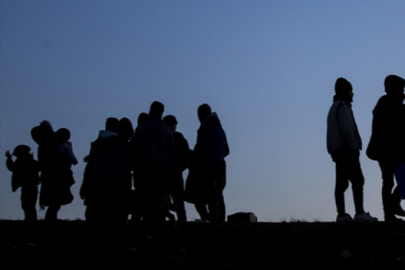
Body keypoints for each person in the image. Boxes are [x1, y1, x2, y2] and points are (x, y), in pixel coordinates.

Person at [327, 78, 377, 222]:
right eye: (350, 90)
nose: (352, 93)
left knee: (341, 183)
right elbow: (347, 129)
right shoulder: (342, 106)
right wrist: (354, 146)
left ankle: (341, 214)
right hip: (347, 150)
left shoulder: (334, 107)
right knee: (358, 180)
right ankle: (359, 212)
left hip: (338, 151)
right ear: (344, 91)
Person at [366, 75, 405, 222]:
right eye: (401, 88)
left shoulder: (390, 103)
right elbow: (394, 125)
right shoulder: (387, 103)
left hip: (390, 149)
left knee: (390, 181)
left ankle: (391, 209)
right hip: (389, 149)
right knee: (390, 181)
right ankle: (390, 210)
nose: (402, 91)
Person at [131, 101, 175, 222]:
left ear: (151, 112)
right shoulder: (167, 131)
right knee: (159, 204)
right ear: (162, 113)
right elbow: (172, 153)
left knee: (142, 203)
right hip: (162, 171)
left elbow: (136, 150)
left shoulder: (141, 129)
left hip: (144, 171)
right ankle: (159, 229)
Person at [186, 103, 229, 222]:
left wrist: (194, 160)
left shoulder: (205, 128)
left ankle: (212, 223)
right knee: (219, 195)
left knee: (211, 196)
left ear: (200, 115)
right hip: (221, 165)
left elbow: (204, 149)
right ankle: (220, 222)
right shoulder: (221, 130)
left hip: (210, 166)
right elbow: (227, 150)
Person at [80, 117, 126, 221]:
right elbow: (119, 160)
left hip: (96, 180)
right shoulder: (119, 142)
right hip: (114, 180)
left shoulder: (96, 143)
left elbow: (91, 165)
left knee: (94, 209)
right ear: (118, 128)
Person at [31, 121, 74, 220]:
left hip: (55, 175)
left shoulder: (51, 145)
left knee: (55, 202)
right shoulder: (50, 144)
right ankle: (50, 219)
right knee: (55, 202)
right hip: (55, 175)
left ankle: (51, 219)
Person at [163, 114, 192, 221]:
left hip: (172, 175)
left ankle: (180, 225)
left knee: (177, 203)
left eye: (172, 125)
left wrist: (179, 168)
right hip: (169, 175)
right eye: (169, 125)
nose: (171, 127)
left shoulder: (177, 138)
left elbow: (186, 156)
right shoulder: (177, 138)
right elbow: (187, 156)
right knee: (167, 203)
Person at [5, 145, 40, 221]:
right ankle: (31, 220)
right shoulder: (32, 162)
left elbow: (12, 167)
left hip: (28, 187)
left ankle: (30, 220)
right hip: (30, 187)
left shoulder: (23, 163)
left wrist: (9, 159)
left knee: (28, 205)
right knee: (29, 205)